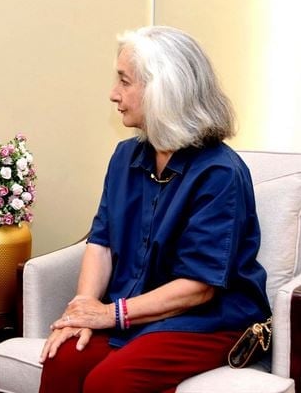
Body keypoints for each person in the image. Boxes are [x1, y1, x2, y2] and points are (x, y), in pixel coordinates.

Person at [39, 26, 270, 392]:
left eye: (124, 81)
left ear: (163, 90)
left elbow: (198, 288)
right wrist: (83, 306)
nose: (113, 94)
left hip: (206, 320)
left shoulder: (220, 173)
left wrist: (110, 314)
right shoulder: (124, 157)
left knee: (110, 381)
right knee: (62, 358)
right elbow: (101, 241)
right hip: (137, 312)